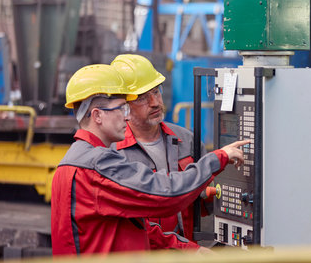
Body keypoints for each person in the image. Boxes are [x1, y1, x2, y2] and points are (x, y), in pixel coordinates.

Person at [51, 64, 247, 255]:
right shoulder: (97, 165)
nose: (126, 118)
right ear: (97, 116)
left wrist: (188, 250)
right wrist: (217, 158)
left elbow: (140, 227)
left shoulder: (71, 163)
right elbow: (165, 194)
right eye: (121, 109)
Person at [110, 54, 210, 243]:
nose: (155, 102)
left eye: (156, 92)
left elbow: (207, 206)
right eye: (142, 97)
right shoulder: (114, 153)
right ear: (123, 106)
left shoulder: (186, 139)